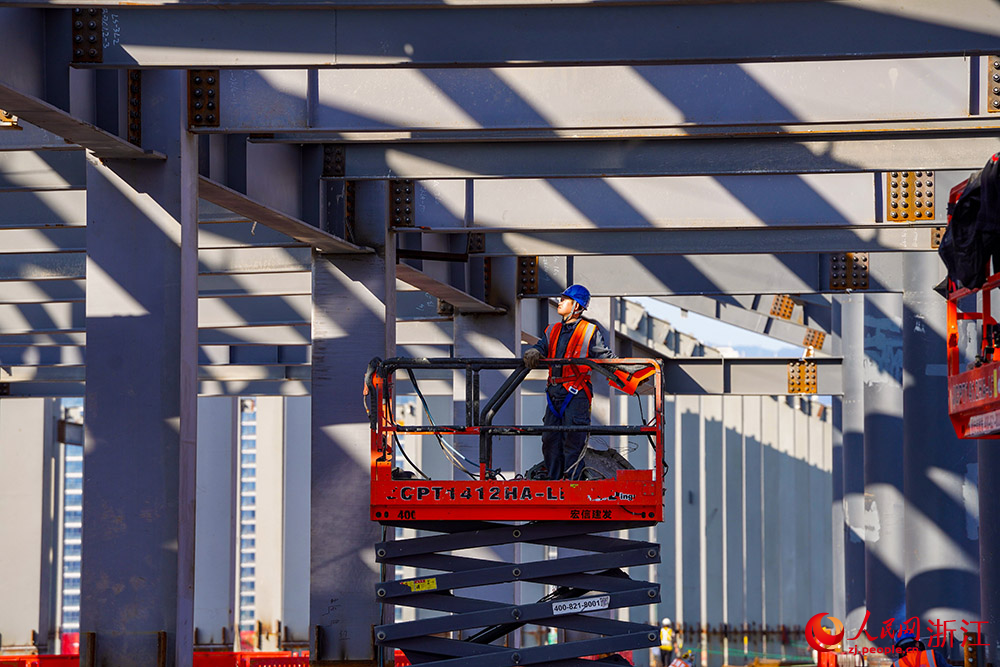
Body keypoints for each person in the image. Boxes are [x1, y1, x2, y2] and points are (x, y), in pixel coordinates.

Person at [522, 284, 614, 480]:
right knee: (549, 438)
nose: (560, 302)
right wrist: (535, 351)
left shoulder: (590, 331)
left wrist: (629, 372)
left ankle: (572, 481)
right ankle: (554, 480)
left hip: (576, 392)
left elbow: (605, 357)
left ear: (577, 306)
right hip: (554, 391)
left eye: (565, 299)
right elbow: (542, 346)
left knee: (573, 438)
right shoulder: (552, 330)